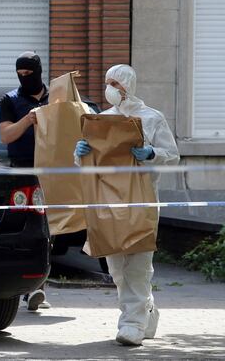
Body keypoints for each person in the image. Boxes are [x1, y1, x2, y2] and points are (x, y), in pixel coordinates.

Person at [74, 64, 179, 346]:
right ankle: (146, 312)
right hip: (108, 200)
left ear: (128, 86)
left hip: (142, 200)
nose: (110, 88)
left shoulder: (152, 118)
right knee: (117, 268)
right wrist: (80, 153)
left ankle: (131, 324)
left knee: (138, 265)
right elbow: (90, 164)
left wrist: (151, 152)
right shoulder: (100, 120)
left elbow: (172, 155)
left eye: (115, 83)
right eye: (108, 83)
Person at [0, 51, 51, 311]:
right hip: (24, 169)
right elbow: (6, 136)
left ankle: (40, 287)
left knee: (50, 229)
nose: (24, 78)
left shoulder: (56, 97)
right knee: (30, 226)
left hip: (52, 169)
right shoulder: (11, 99)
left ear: (38, 72)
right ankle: (29, 289)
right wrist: (27, 120)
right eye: (20, 74)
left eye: (28, 74)